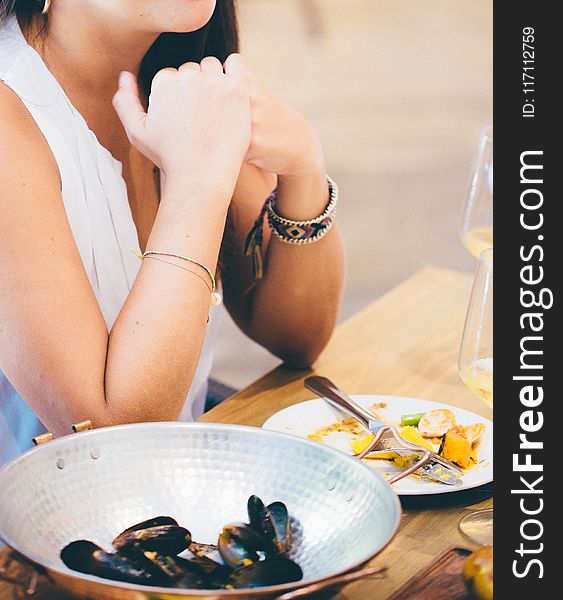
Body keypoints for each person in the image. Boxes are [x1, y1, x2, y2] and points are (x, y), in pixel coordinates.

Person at [0, 0, 345, 468]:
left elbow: (295, 337)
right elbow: (110, 440)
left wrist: (304, 170)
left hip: (176, 489)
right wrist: (196, 183)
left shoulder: (178, 72)